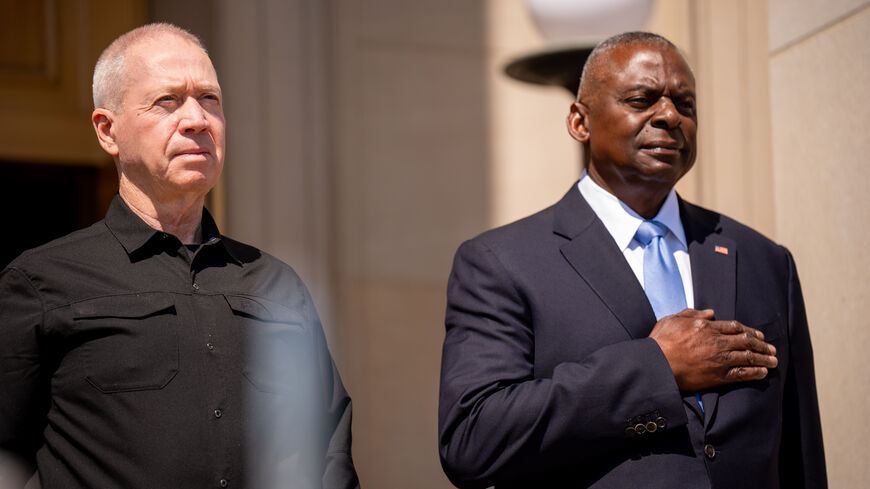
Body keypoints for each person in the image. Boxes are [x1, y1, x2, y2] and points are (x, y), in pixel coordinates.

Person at [438, 32, 826, 488]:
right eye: (642, 99)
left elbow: (800, 454)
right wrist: (656, 368)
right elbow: (472, 439)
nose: (669, 116)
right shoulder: (501, 262)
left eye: (685, 104)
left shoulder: (763, 258)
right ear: (580, 122)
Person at [0, 23, 359, 489]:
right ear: (107, 130)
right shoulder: (41, 282)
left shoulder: (277, 284)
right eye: (167, 101)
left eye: (210, 99)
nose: (197, 119)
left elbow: (328, 446)